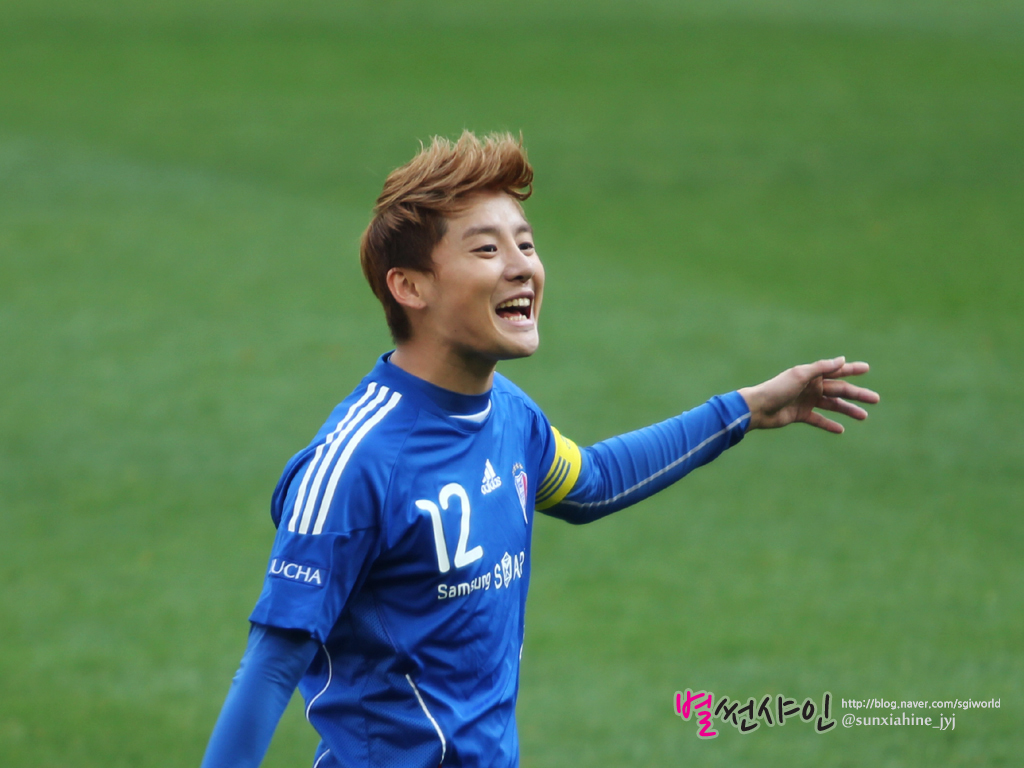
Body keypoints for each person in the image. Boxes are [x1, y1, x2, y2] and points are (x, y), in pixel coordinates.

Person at [199, 131, 878, 768]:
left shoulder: (509, 418)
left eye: (525, 244)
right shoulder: (357, 465)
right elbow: (270, 669)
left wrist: (744, 411)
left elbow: (593, 483)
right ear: (410, 286)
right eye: (487, 250)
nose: (523, 266)